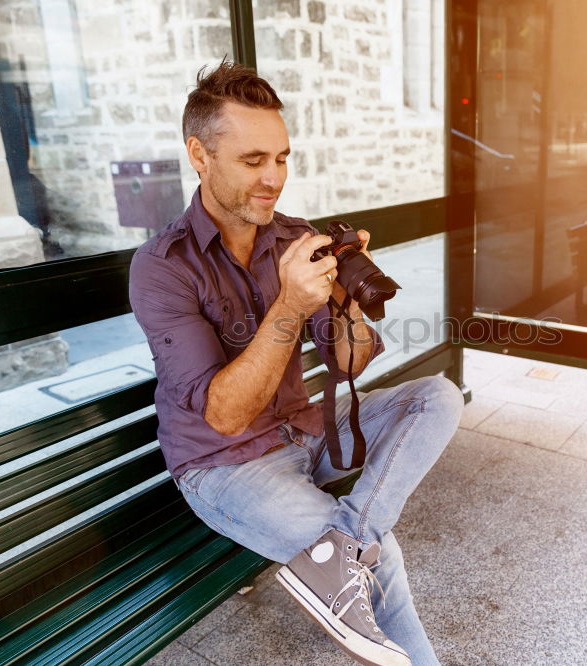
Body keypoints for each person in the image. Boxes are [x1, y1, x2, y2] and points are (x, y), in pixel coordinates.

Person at [128, 59, 463, 666]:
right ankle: (361, 562)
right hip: (224, 465)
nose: (274, 178)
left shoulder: (294, 238)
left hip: (304, 433)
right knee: (383, 561)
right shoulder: (163, 267)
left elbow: (352, 363)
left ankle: (344, 549)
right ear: (199, 156)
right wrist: (289, 305)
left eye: (282, 158)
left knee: (436, 396)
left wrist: (342, 302)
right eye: (253, 161)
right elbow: (224, 417)